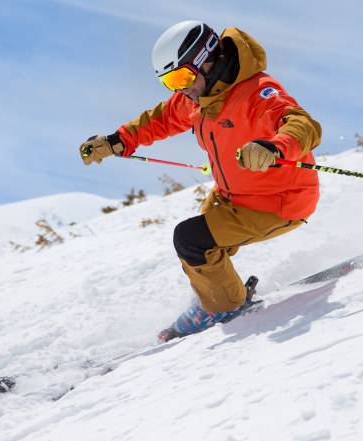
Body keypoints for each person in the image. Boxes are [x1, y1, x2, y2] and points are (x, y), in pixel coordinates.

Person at [79, 21, 322, 341]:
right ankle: (218, 296)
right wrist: (116, 140)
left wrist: (275, 147)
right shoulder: (199, 99)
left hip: (281, 200)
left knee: (191, 240)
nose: (180, 88)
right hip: (233, 197)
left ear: (207, 60)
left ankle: (225, 305)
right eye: (170, 81)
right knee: (199, 246)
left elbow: (301, 124)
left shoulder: (257, 91)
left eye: (182, 77)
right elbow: (161, 118)